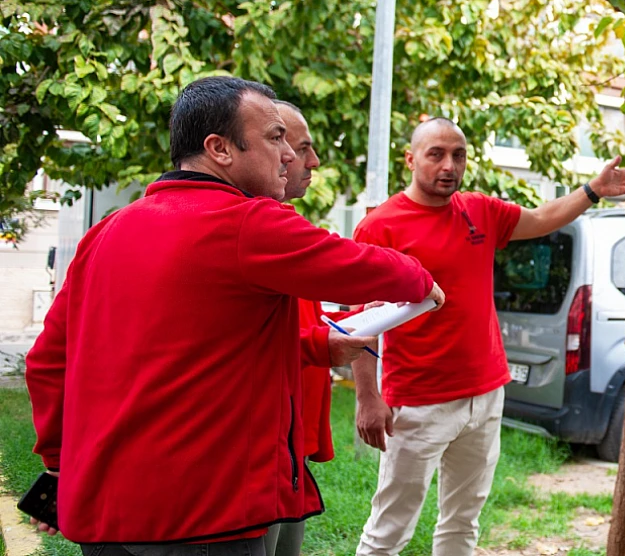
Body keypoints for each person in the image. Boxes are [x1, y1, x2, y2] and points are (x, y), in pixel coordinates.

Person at [25, 77, 443, 554]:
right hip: (203, 515)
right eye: (274, 137)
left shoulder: (105, 232)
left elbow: (47, 361)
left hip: (103, 514)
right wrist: (420, 278)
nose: (288, 154)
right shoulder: (247, 221)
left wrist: (59, 464)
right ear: (219, 149)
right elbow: (365, 267)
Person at [353, 118, 625, 556]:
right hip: (418, 400)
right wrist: (366, 397)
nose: (449, 165)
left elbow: (542, 218)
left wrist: (592, 191)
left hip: (486, 395)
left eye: (459, 155)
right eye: (436, 154)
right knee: (390, 529)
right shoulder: (381, 227)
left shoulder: (479, 210)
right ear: (411, 159)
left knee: (463, 522)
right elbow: (359, 321)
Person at [261, 100, 332, 556]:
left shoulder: (286, 226)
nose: (310, 160)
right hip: (258, 454)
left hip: (290, 445)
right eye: (299, 146)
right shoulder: (256, 229)